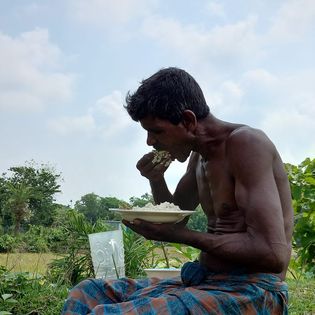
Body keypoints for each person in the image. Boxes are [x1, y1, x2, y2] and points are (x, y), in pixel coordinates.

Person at [62, 67, 293, 314]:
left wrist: (179, 236)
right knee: (87, 293)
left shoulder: (246, 144)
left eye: (156, 131)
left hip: (254, 290)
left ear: (188, 121)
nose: (150, 142)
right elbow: (175, 217)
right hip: (206, 281)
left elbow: (272, 253)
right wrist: (156, 179)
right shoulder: (199, 158)